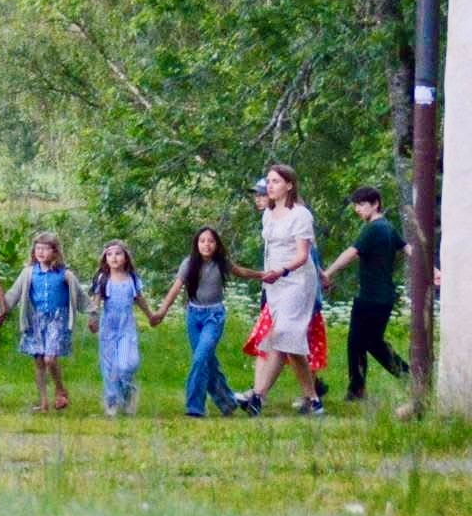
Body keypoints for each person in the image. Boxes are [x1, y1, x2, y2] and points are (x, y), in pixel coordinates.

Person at [236, 164, 322, 417]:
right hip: (274, 284)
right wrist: (267, 275)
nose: (270, 186)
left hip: (297, 282)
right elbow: (269, 250)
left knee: (283, 334)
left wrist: (282, 271)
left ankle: (258, 396)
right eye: (269, 182)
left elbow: (303, 255)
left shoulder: (301, 215)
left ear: (289, 185)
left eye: (275, 181)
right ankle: (314, 399)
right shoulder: (268, 214)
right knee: (288, 341)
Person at [321, 186, 410, 403]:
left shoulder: (374, 228)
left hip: (372, 297)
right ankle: (357, 389)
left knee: (368, 341)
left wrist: (327, 273)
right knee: (358, 342)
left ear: (376, 203)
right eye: (356, 205)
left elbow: (350, 253)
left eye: (362, 204)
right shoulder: (388, 227)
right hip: (382, 296)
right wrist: (433, 270)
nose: (358, 209)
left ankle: (408, 375)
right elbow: (409, 248)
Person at [149, 226, 246, 417]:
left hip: (214, 316)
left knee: (200, 358)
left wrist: (262, 275)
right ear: (197, 244)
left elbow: (240, 272)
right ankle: (227, 402)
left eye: (210, 241)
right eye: (202, 241)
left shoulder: (221, 263)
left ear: (216, 244)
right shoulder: (189, 263)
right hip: (194, 316)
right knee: (207, 361)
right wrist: (161, 312)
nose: (206, 245)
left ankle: (194, 408)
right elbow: (176, 288)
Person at [0, 232, 83, 414]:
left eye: (46, 248)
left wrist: (93, 314)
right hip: (35, 320)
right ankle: (43, 403)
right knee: (39, 362)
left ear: (55, 252)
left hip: (57, 319)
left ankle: (60, 389)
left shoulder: (64, 274)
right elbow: (13, 293)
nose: (41, 252)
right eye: (38, 248)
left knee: (50, 357)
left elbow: (80, 295)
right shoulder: (28, 273)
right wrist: (1, 310)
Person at [86, 241, 152, 417]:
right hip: (108, 327)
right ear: (105, 258)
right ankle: (112, 402)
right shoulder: (102, 278)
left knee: (127, 364)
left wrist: (151, 316)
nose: (114, 258)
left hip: (126, 328)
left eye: (118, 254)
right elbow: (96, 300)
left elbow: (140, 299)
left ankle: (129, 392)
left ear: (125, 257)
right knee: (109, 367)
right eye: (110, 254)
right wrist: (93, 317)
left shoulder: (132, 279)